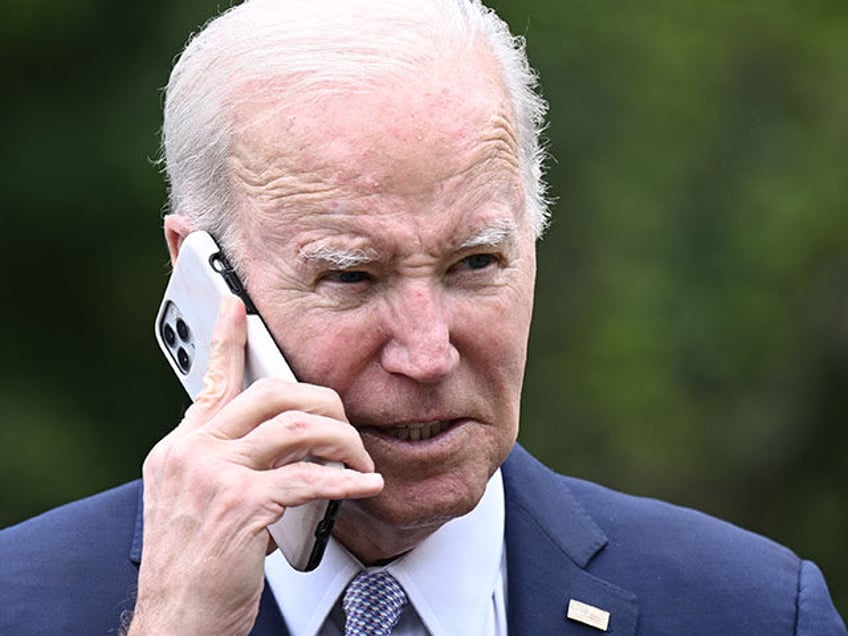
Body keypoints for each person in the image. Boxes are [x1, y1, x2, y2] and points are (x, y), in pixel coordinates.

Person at [0, 0, 845, 634]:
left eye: (475, 263)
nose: (428, 352)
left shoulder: (755, 609)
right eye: (352, 276)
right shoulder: (23, 601)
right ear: (200, 277)